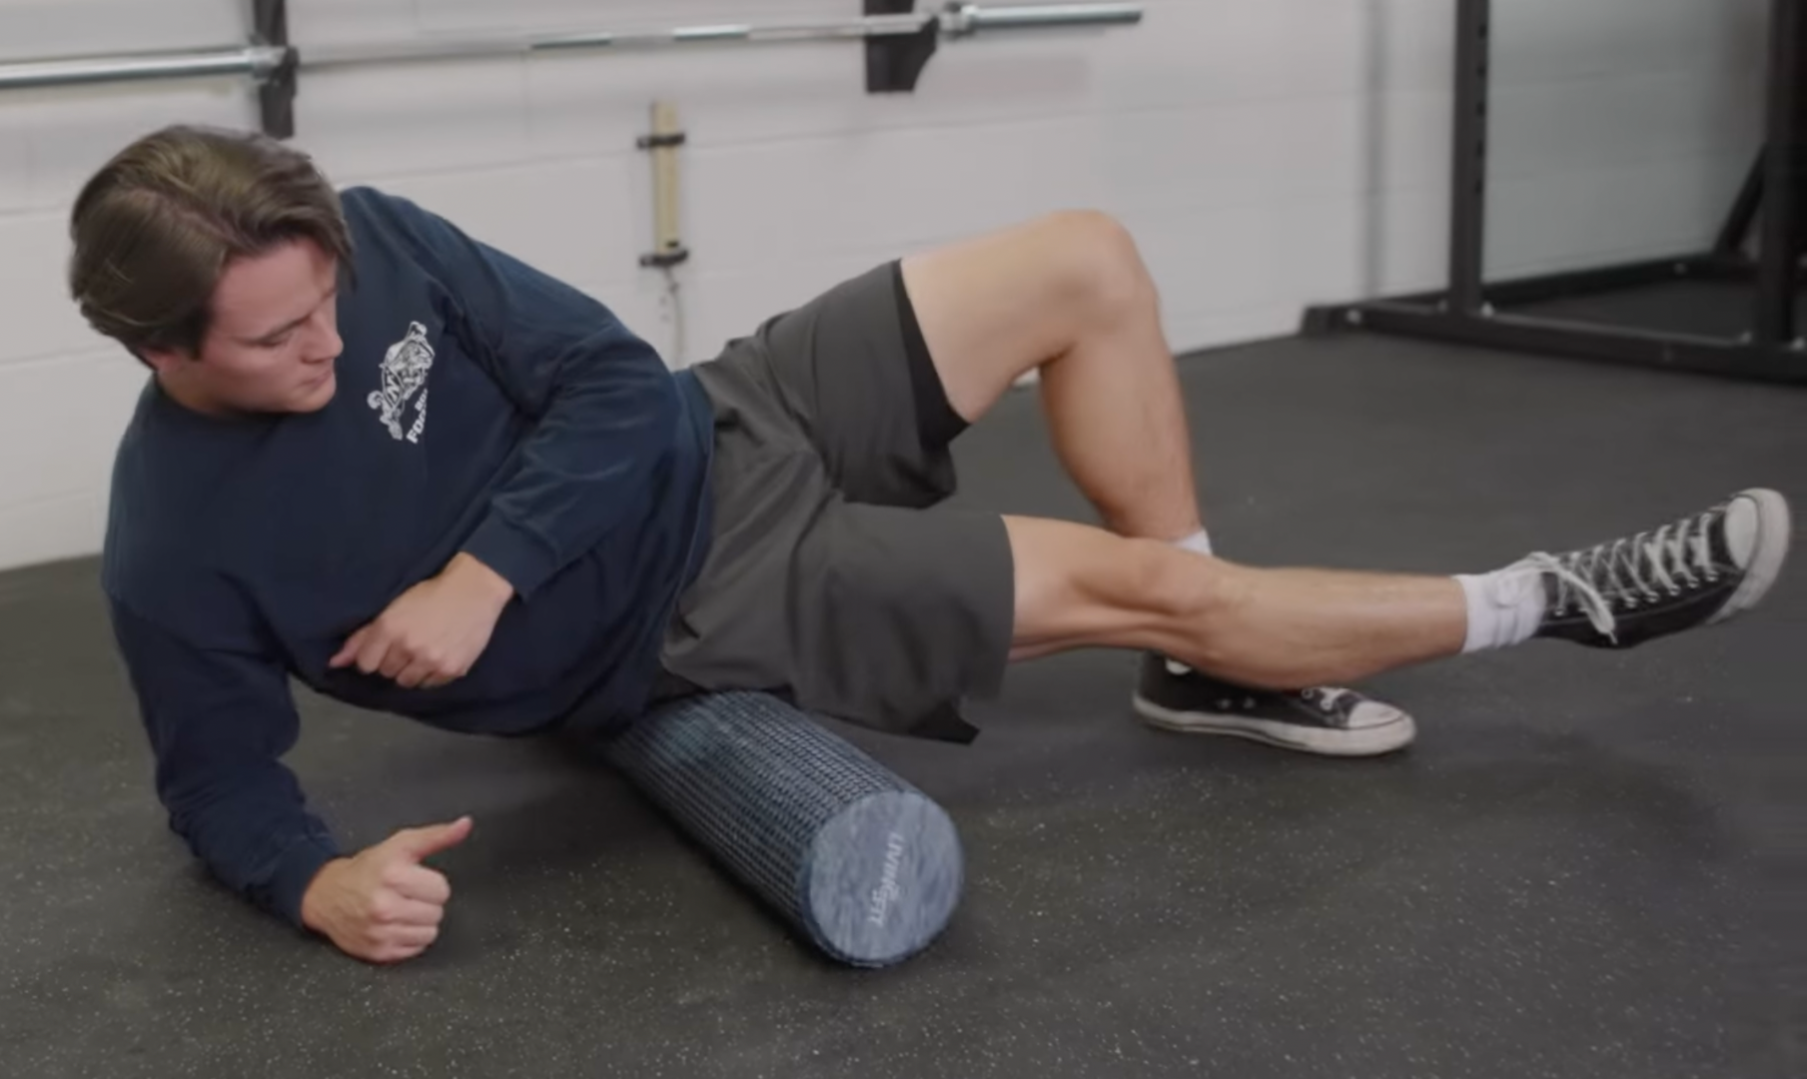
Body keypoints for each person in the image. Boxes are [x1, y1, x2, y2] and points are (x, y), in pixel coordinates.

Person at [74, 125, 1791, 966]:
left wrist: (481, 574)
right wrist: (315, 882)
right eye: (278, 339)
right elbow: (218, 781)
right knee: (1149, 584)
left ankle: (1215, 663)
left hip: (716, 419)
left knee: (1083, 257)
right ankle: (1548, 601)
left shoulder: (368, 236)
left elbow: (607, 378)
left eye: (330, 305)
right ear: (158, 352)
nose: (329, 337)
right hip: (694, 607)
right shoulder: (174, 548)